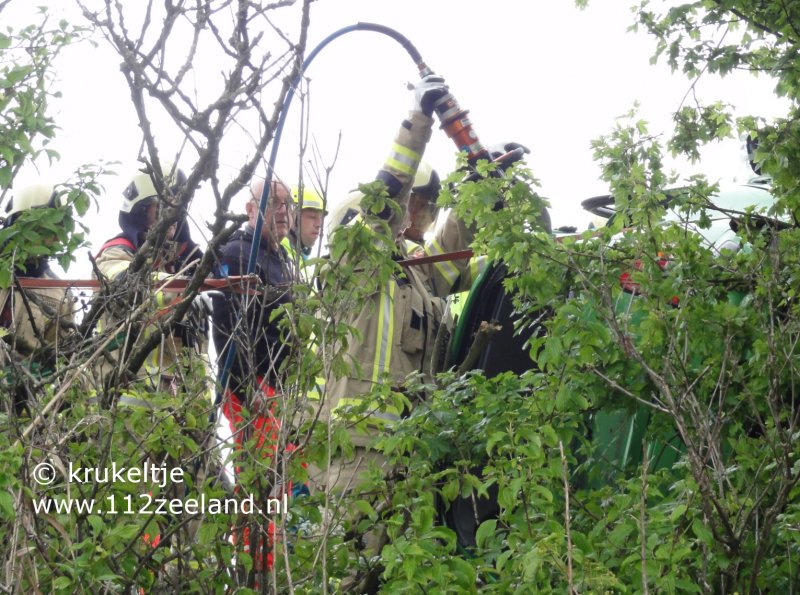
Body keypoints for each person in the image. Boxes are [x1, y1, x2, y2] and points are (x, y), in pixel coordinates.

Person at [211, 177, 301, 573]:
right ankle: (254, 570)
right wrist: (250, 390)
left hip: (277, 384)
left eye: (288, 204)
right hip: (251, 386)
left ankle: (271, 565)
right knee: (260, 485)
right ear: (251, 210)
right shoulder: (238, 252)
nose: (283, 211)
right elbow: (226, 328)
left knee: (278, 483)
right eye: (274, 203)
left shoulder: (280, 259)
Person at [92, 162, 207, 399]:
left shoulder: (187, 264)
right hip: (124, 397)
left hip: (183, 405)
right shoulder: (114, 254)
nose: (174, 215)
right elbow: (126, 284)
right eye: (163, 207)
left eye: (179, 206)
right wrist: (183, 292)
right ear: (141, 210)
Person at [0, 182, 76, 415]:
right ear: (21, 222)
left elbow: (64, 360)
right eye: (47, 230)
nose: (54, 240)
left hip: (15, 413)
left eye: (58, 232)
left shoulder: (58, 293)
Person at [281, 185, 326, 264]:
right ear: (292, 215)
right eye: (312, 217)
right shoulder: (280, 256)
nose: (319, 224)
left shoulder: (300, 261)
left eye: (321, 218)